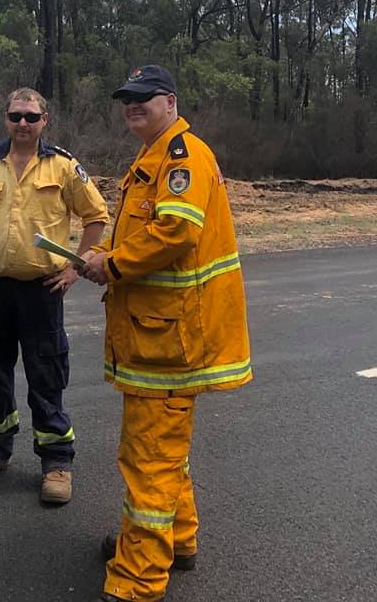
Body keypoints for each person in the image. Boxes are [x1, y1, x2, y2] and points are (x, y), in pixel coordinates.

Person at [81, 63, 252, 602]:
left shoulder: (183, 157)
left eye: (145, 98)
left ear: (171, 103)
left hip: (169, 342)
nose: (133, 106)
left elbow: (175, 231)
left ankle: (137, 579)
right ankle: (176, 540)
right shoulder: (153, 156)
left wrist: (111, 264)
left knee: (149, 457)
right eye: (127, 99)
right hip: (157, 335)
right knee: (162, 450)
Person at [0, 87, 108, 504]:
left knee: (46, 375)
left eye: (31, 117)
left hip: (41, 290)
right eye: (15, 116)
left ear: (45, 121)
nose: (23, 124)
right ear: (6, 119)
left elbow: (97, 217)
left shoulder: (63, 166)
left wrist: (76, 266)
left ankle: (56, 462)